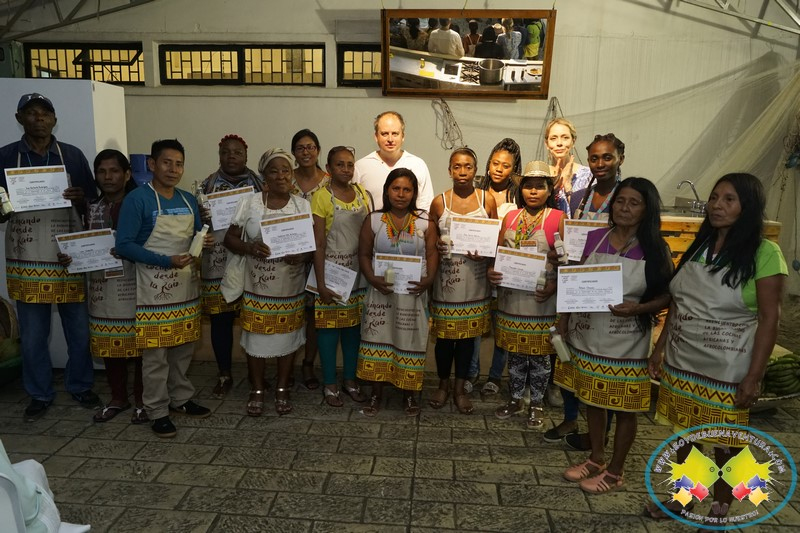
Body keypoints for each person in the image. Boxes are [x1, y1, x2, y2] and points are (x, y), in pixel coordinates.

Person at [645, 173, 787, 524]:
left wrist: (755, 376)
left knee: (726, 446)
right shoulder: (701, 246)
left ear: (747, 207)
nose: (717, 206)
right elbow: (679, 303)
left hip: (727, 367)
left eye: (729, 199)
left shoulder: (765, 253)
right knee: (685, 435)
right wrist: (659, 348)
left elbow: (769, 318)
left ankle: (720, 511)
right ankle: (685, 498)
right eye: (714, 198)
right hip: (683, 361)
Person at [554, 178, 673, 493]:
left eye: (634, 203)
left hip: (626, 341)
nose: (625, 208)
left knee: (624, 407)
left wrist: (639, 308)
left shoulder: (655, 248)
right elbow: (576, 281)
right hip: (589, 335)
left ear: (647, 209)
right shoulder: (596, 238)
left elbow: (667, 296)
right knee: (593, 400)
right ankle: (596, 458)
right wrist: (564, 318)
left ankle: (616, 471)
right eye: (620, 201)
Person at [0, 92, 100, 421]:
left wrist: (80, 197)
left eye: (45, 113)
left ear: (55, 119)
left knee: (79, 330)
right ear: (19, 118)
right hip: (27, 257)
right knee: (32, 335)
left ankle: (80, 384)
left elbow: (93, 203)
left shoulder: (71, 155)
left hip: (68, 254)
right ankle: (39, 393)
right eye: (31, 113)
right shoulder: (5, 157)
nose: (39, 118)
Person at [116, 139, 212, 438]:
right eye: (167, 162)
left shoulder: (187, 200)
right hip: (152, 287)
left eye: (179, 164)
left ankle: (180, 398)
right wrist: (164, 260)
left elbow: (194, 237)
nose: (173, 169)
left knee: (183, 347)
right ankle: (157, 410)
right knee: (155, 354)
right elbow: (124, 245)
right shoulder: (138, 199)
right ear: (152, 164)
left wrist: (203, 242)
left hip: (184, 285)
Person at [546, 133, 626, 449]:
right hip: (577, 283)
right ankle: (570, 418)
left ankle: (601, 434)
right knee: (569, 354)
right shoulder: (580, 195)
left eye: (607, 157)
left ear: (620, 159)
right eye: (594, 158)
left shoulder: (626, 198)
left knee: (602, 362)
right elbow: (569, 236)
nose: (600, 163)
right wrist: (559, 254)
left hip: (608, 287)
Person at [223, 148, 311, 417]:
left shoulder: (302, 205)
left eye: (286, 170)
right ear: (264, 177)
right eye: (274, 171)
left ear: (292, 175)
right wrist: (250, 248)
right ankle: (257, 388)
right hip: (257, 287)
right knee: (256, 339)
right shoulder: (250, 203)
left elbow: (311, 246)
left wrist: (302, 256)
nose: (281, 176)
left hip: (290, 287)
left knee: (288, 338)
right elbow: (229, 239)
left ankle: (282, 387)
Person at [488, 161, 566, 430]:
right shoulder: (510, 217)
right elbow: (499, 252)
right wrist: (492, 271)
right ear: (520, 189)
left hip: (541, 298)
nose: (533, 191)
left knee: (540, 356)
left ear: (549, 190)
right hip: (511, 298)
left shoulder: (558, 218)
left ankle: (537, 403)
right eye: (528, 186)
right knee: (516, 354)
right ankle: (516, 399)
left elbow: (566, 260)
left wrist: (554, 287)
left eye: (539, 186)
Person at [356, 168, 438, 417]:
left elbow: (432, 253)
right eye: (396, 188)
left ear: (414, 193)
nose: (401, 194)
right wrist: (372, 278)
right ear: (387, 190)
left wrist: (428, 280)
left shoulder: (424, 221)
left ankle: (409, 394)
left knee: (409, 340)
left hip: (413, 294)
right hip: (381, 293)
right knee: (378, 338)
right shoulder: (374, 220)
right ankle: (376, 394)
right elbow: (364, 254)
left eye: (407, 190)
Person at [78, 150, 145, 424]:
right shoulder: (90, 206)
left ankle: (142, 399)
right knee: (109, 343)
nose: (108, 177)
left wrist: (130, 248)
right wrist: (72, 255)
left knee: (140, 345)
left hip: (133, 280)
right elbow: (82, 241)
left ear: (127, 174)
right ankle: (118, 397)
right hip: (102, 284)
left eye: (114, 170)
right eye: (102, 171)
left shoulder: (140, 202)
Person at [429, 148, 497, 414]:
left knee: (468, 339)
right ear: (449, 170)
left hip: (475, 282)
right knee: (445, 339)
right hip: (447, 282)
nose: (462, 172)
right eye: (457, 166)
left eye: (468, 166)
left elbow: (496, 239)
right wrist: (437, 243)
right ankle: (442, 385)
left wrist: (487, 256)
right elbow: (431, 240)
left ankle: (459, 388)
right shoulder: (439, 202)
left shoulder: (486, 199)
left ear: (475, 170)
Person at [199, 134, 264, 399]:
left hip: (250, 260)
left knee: (252, 319)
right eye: (226, 152)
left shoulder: (259, 185)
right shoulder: (206, 186)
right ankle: (224, 373)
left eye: (237, 152)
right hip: (217, 262)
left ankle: (256, 373)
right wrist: (200, 218)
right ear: (219, 156)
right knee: (221, 320)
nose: (231, 156)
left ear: (246, 156)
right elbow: (196, 225)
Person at [311, 146, 372, 407]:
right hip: (331, 273)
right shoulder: (321, 197)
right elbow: (318, 244)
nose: (346, 169)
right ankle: (329, 383)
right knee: (328, 331)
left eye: (350, 164)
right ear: (329, 168)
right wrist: (321, 284)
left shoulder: (362, 194)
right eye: (340, 164)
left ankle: (349, 380)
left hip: (357, 274)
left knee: (352, 331)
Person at [472, 138, 523, 395]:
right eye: (495, 163)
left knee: (501, 323)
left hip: (507, 268)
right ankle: (471, 373)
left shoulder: (520, 194)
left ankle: (494, 377)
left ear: (514, 168)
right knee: (475, 323)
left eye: (505, 165)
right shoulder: (476, 190)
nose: (499, 169)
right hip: (478, 265)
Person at [290, 129, 330, 391]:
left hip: (319, 258)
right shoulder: (285, 178)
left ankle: (307, 364)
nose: (306, 152)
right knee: (291, 312)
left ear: (318, 150)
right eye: (300, 148)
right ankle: (286, 363)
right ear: (293, 152)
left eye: (311, 147)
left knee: (315, 315)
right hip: (290, 259)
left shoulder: (329, 182)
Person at [353, 111, 434, 212]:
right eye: (384, 134)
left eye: (395, 133)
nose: (390, 139)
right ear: (376, 137)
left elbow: (426, 206)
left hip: (412, 222)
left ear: (402, 136)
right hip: (371, 222)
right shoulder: (360, 167)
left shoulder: (418, 165)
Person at [545, 118, 592, 218]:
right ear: (547, 144)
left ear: (573, 141)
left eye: (565, 138)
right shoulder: (540, 174)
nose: (559, 143)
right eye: (553, 138)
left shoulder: (588, 175)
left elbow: (588, 213)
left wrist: (567, 186)